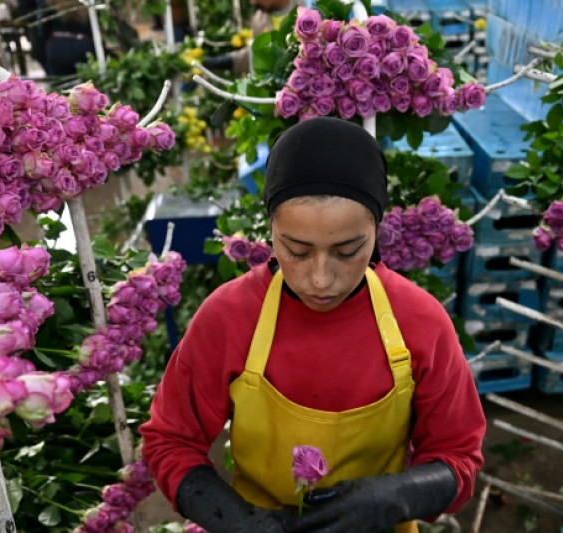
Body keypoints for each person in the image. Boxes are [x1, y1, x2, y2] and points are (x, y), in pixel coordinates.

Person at [139, 117, 486, 533]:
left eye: (348, 250)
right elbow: (170, 440)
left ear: (376, 230)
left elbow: (459, 456)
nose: (321, 279)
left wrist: (397, 495)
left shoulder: (420, 323)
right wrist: (239, 520)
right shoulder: (229, 318)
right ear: (271, 231)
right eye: (297, 251)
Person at [203, 0, 299, 75]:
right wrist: (228, 61)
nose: (252, 2)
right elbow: (255, 55)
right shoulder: (258, 20)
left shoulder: (306, 6)